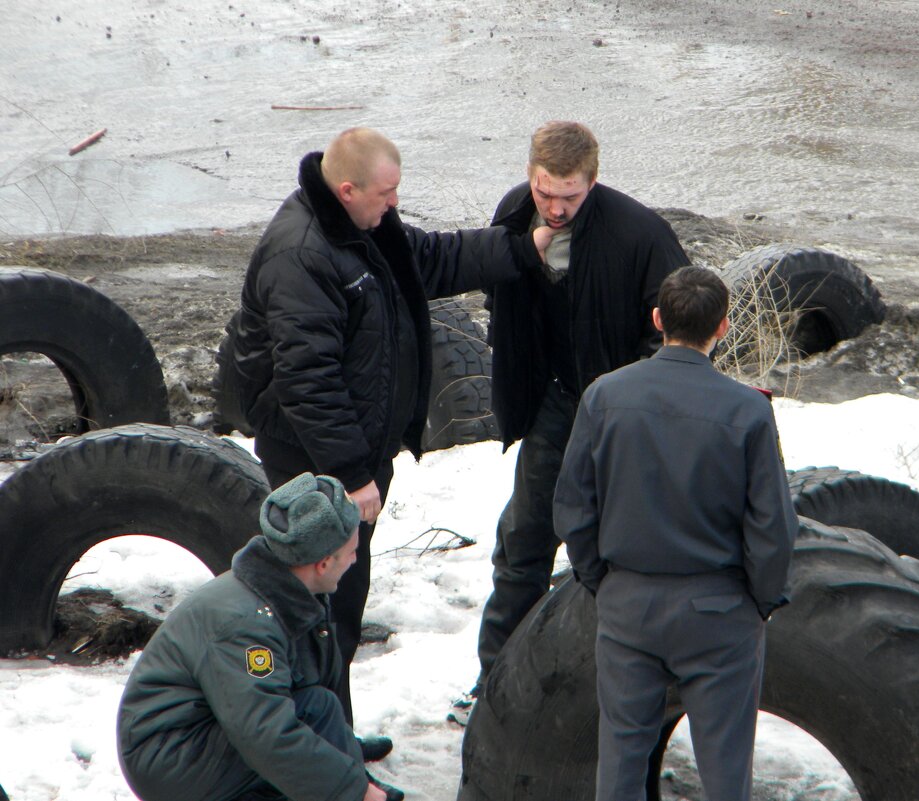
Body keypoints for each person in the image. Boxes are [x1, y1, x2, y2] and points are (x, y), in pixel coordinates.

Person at [229, 127, 556, 722]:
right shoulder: (302, 254)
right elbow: (308, 380)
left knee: (341, 609)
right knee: (317, 610)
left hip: (357, 447)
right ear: (347, 189)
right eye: (387, 193)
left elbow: (429, 259)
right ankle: (312, 746)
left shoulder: (363, 227)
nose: (395, 203)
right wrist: (352, 475)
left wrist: (521, 250)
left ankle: (334, 735)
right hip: (314, 459)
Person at [553, 266, 799, 801]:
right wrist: (757, 602)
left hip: (628, 605)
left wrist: (604, 581)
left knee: (620, 761)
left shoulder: (603, 396)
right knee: (725, 769)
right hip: (719, 610)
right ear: (724, 327)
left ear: (658, 319)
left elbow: (573, 505)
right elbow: (773, 526)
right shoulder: (749, 410)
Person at [469, 120, 690, 699]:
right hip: (551, 400)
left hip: (620, 416)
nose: (556, 207)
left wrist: (636, 402)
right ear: (529, 176)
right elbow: (497, 293)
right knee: (524, 542)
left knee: (619, 551)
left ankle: (624, 688)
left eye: (569, 195)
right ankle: (496, 685)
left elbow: (678, 332)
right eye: (546, 192)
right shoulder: (516, 213)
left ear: (592, 180)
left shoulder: (639, 233)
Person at [117, 473, 403, 801]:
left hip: (208, 729)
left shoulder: (286, 583)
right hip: (172, 759)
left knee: (319, 706)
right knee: (290, 757)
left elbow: (309, 690)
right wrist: (357, 792)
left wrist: (342, 760)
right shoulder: (244, 625)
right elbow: (265, 735)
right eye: (352, 551)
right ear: (323, 564)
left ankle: (345, 767)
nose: (355, 559)